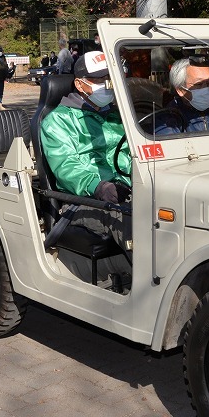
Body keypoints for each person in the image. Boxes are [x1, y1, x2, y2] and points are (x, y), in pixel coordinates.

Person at [39, 50, 133, 284]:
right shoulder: (57, 121)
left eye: (111, 79)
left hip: (129, 189)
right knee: (132, 218)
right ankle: (150, 292)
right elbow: (66, 166)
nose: (108, 86)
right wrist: (99, 187)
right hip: (84, 201)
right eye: (101, 80)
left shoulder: (117, 116)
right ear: (81, 85)